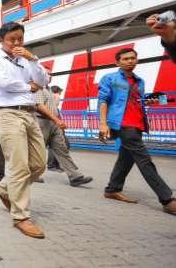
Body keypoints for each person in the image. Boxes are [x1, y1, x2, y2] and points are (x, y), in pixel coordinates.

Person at [0, 22, 49, 239]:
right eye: (12, 39)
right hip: (8, 115)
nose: (17, 43)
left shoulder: (26, 60)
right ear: (1, 40)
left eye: (20, 38)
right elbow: (3, 83)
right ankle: (21, 217)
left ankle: (3, 188)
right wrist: (29, 86)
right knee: (19, 166)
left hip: (29, 114)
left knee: (38, 165)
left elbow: (43, 81)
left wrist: (33, 60)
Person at [98, 48, 176, 215]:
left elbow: (138, 101)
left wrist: (158, 100)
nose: (130, 61)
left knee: (126, 158)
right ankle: (167, 199)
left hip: (138, 123)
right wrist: (103, 124)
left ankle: (112, 189)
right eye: (125, 59)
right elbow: (103, 100)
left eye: (133, 58)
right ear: (117, 62)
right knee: (144, 160)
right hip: (122, 124)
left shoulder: (139, 81)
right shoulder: (110, 78)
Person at [35, 82, 93, 187]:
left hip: (53, 122)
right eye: (46, 73)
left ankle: (75, 176)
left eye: (48, 74)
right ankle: (33, 174)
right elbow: (39, 106)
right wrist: (56, 119)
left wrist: (56, 120)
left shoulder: (49, 90)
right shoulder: (38, 88)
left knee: (62, 148)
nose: (48, 76)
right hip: (42, 122)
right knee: (38, 150)